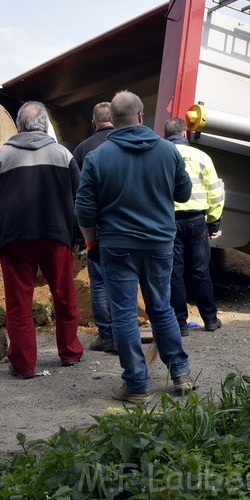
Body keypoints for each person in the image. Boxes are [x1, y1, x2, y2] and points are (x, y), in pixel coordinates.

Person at [74, 91, 195, 403]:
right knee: (161, 307)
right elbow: (183, 194)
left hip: (117, 246)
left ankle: (137, 385)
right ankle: (180, 373)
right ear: (142, 116)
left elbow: (84, 211)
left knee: (125, 314)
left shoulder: (97, 157)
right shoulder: (168, 151)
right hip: (159, 244)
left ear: (111, 120)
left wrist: (91, 243)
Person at [0, 100, 84, 379]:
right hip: (55, 233)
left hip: (14, 237)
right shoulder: (62, 154)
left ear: (19, 126)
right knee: (64, 295)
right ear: (45, 125)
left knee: (19, 302)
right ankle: (70, 352)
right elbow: (79, 190)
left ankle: (23, 365)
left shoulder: (3, 155)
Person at [164, 117, 226, 334]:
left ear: (166, 135)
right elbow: (215, 193)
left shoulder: (161, 156)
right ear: (184, 134)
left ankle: (180, 324)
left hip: (169, 222)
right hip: (197, 221)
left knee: (175, 273)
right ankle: (210, 320)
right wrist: (213, 222)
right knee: (201, 271)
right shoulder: (202, 157)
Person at [71, 101, 116, 353]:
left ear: (93, 123)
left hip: (97, 227)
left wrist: (83, 234)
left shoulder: (83, 149)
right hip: (127, 224)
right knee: (126, 279)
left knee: (98, 281)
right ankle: (125, 332)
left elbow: (79, 194)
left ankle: (107, 335)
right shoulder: (126, 143)